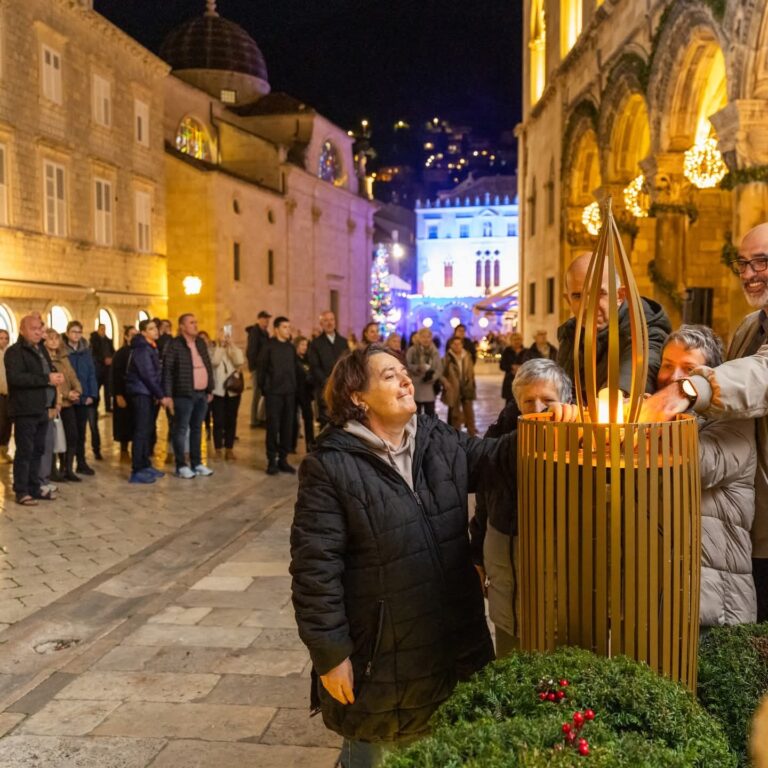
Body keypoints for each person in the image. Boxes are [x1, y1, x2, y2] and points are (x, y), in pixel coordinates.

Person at [291, 344, 514, 767]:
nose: (406, 380)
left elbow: (495, 459)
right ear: (357, 396)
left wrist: (541, 416)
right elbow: (314, 569)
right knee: (376, 753)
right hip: (382, 661)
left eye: (404, 372)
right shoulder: (332, 467)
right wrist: (331, 655)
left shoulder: (436, 438)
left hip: (455, 645)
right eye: (390, 375)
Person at [639, 223, 768, 622]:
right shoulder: (750, 325)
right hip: (757, 520)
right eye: (743, 263)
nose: (749, 273)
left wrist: (691, 391)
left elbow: (759, 375)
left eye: (761, 261)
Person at [655, 325, 756, 627]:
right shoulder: (659, 419)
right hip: (668, 599)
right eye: (667, 365)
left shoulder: (733, 421)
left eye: (688, 369)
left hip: (718, 608)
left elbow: (696, 465)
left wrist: (649, 422)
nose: (674, 378)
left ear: (708, 378)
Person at [470, 358, 572, 657]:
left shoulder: (579, 438)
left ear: (564, 401)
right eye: (529, 401)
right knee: (509, 653)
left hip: (554, 563)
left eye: (548, 400)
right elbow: (484, 500)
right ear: (517, 402)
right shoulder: (500, 437)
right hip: (504, 560)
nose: (539, 408)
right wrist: (477, 553)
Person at [557, 252, 671, 396]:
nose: (587, 306)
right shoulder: (570, 334)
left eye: (599, 293)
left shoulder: (646, 329)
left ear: (620, 296)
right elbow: (559, 392)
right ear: (568, 300)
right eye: (577, 296)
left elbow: (643, 364)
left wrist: (618, 393)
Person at [5, 315, 63, 505]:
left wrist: (55, 388)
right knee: (25, 451)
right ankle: (21, 491)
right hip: (25, 409)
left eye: (40, 328)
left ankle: (34, 487)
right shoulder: (15, 352)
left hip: (42, 408)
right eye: (33, 328)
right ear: (22, 330)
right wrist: (47, 379)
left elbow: (47, 371)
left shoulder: (41, 350)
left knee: (39, 450)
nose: (38, 332)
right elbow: (17, 379)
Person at [162, 313, 215, 479]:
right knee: (181, 429)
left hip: (201, 393)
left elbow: (207, 365)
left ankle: (197, 463)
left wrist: (210, 388)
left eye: (196, 322)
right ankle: (181, 465)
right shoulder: (174, 345)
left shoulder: (200, 342)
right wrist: (168, 395)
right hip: (183, 394)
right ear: (182, 327)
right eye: (192, 322)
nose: (195, 325)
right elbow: (168, 371)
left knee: (197, 429)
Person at [127, 319, 173, 484]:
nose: (156, 331)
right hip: (141, 393)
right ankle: (137, 469)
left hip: (148, 393)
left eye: (156, 328)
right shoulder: (141, 349)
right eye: (151, 329)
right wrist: (161, 395)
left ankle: (145, 464)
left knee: (148, 429)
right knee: (141, 430)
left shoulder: (150, 347)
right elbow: (148, 375)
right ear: (144, 332)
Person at [258, 316, 298, 475]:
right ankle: (271, 461)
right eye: (285, 327)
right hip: (274, 394)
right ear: (276, 329)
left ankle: (283, 459)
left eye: (289, 327)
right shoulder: (268, 347)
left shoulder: (290, 348)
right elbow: (261, 371)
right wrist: (266, 389)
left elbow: (295, 368)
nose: (288, 330)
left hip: (289, 394)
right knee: (273, 427)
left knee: (287, 427)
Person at [42, 329, 80, 490]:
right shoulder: (44, 359)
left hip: (68, 404)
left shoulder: (64, 358)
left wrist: (77, 390)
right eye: (50, 339)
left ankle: (68, 468)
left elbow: (71, 376)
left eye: (56, 339)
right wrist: (65, 394)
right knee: (53, 438)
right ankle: (52, 470)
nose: (53, 342)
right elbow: (51, 383)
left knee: (72, 436)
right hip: (55, 403)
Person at [63, 321, 99, 473]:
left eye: (79, 332)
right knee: (70, 433)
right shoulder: (62, 351)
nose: (76, 335)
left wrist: (92, 394)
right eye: (73, 332)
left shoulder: (86, 351)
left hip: (84, 397)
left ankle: (81, 462)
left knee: (82, 432)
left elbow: (91, 373)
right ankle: (66, 465)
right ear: (67, 333)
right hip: (68, 398)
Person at [308, 311, 349, 427]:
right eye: (326, 320)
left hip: (341, 389)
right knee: (326, 423)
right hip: (324, 388)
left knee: (342, 421)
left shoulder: (343, 342)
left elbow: (346, 364)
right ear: (321, 324)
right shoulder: (315, 344)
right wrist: (328, 383)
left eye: (332, 320)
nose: (329, 323)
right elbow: (314, 367)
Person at [210, 328, 245, 460]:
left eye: (226, 335)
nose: (224, 337)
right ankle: (218, 448)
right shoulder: (214, 350)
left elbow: (239, 361)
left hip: (232, 391)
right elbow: (215, 362)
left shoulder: (235, 350)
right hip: (218, 391)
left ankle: (229, 448)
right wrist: (221, 346)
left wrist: (232, 345)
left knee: (231, 420)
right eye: (221, 334)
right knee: (218, 421)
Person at [111, 326, 138, 462]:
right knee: (124, 422)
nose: (134, 337)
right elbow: (115, 375)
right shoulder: (121, 353)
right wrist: (118, 394)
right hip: (124, 392)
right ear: (126, 337)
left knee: (135, 422)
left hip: (136, 393)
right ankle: (124, 449)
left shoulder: (139, 351)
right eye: (132, 335)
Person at [443, 335, 477, 436]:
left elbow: (471, 372)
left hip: (467, 387)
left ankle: (472, 436)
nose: (457, 346)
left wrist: (471, 383)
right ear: (451, 345)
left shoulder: (467, 356)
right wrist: (446, 382)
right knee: (455, 415)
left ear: (462, 345)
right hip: (454, 389)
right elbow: (442, 373)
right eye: (455, 344)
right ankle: (456, 437)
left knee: (469, 414)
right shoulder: (447, 358)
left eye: (459, 344)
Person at [405, 328, 442, 416]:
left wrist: (432, 378)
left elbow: (439, 368)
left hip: (429, 386)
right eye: (423, 337)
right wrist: (417, 367)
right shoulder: (412, 350)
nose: (426, 339)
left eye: (428, 337)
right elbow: (406, 365)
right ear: (419, 338)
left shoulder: (434, 351)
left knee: (430, 413)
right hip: (416, 385)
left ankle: (429, 430)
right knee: (415, 414)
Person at [246, 310, 271, 428]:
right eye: (265, 318)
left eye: (268, 319)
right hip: (258, 368)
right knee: (256, 393)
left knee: (264, 393)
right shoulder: (255, 332)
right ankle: (254, 420)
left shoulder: (265, 333)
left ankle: (261, 417)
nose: (267, 321)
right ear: (259, 319)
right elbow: (251, 351)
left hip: (265, 368)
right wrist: (252, 368)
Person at [293, 335, 315, 453]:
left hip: (305, 393)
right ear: (296, 346)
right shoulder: (292, 359)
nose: (305, 347)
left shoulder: (308, 359)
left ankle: (310, 445)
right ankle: (291, 445)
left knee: (308, 418)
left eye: (306, 345)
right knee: (293, 420)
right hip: (294, 393)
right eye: (302, 345)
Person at [89, 323, 115, 413]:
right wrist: (103, 360)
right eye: (101, 329)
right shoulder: (94, 340)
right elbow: (94, 354)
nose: (103, 330)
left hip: (107, 368)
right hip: (98, 368)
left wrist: (112, 359)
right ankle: (95, 406)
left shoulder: (108, 340)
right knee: (97, 388)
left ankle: (108, 406)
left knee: (108, 388)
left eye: (104, 329)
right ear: (98, 329)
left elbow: (113, 351)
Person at [499, 332, 526, 404]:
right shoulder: (507, 351)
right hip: (509, 381)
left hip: (522, 381)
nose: (517, 341)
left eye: (519, 339)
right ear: (511, 341)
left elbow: (530, 365)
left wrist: (521, 368)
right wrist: (511, 367)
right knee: (509, 404)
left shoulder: (526, 352)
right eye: (515, 340)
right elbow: (502, 365)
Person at [0, 328, 11, 464]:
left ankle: (4, 451)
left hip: (9, 394)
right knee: (0, 423)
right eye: (1, 338)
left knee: (8, 423)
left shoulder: (10, 354)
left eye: (5, 338)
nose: (3, 341)